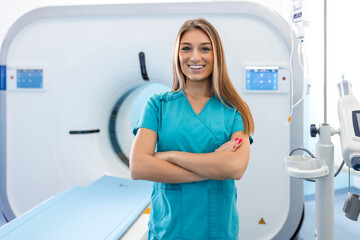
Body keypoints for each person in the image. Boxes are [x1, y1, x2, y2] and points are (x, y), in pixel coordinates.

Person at [130, 18, 254, 240]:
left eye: (205, 49)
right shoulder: (157, 105)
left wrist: (169, 156)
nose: (195, 57)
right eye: (186, 48)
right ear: (177, 54)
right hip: (170, 228)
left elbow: (235, 167)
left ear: (217, 55)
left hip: (217, 229)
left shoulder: (234, 110)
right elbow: (138, 166)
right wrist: (213, 166)